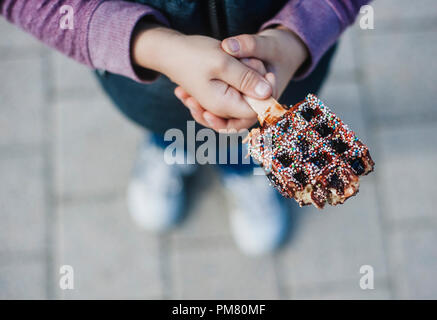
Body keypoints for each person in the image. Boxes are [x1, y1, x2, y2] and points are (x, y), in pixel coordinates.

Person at [1, 0, 370, 255]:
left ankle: (243, 162)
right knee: (170, 121)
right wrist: (154, 48)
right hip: (146, 77)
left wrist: (296, 37)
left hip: (286, 65)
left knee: (244, 134)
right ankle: (172, 145)